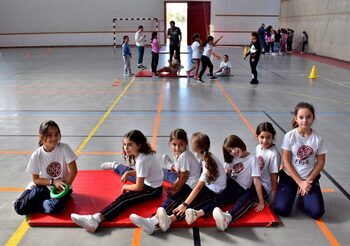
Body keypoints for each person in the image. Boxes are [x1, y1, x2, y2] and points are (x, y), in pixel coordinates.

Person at [130, 132, 226, 234]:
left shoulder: (206, 164)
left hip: (212, 190)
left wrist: (184, 204)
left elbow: (198, 187)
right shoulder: (202, 155)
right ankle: (153, 221)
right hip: (204, 185)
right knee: (177, 199)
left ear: (193, 147)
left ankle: (153, 222)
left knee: (185, 204)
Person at [71, 130, 163, 233]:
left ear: (139, 145)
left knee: (125, 200)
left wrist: (125, 187)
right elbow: (143, 171)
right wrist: (128, 173)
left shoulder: (142, 159)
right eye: (124, 144)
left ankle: (96, 219)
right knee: (125, 196)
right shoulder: (142, 154)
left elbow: (139, 187)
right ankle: (95, 218)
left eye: (129, 145)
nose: (126, 148)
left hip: (153, 190)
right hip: (150, 183)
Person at [274, 102, 326, 219]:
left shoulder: (318, 138)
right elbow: (286, 161)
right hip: (290, 178)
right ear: (296, 119)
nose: (305, 120)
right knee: (281, 209)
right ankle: (291, 191)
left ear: (313, 118)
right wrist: (300, 183)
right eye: (301, 117)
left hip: (309, 179)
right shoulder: (290, 136)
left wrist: (307, 182)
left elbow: (321, 162)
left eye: (308, 117)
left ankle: (303, 198)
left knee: (316, 212)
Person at [14, 120, 78, 215]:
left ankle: (36, 203)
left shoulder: (64, 148)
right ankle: (29, 192)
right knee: (20, 208)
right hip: (44, 185)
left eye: (56, 134)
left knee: (55, 208)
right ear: (41, 136)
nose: (54, 138)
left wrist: (65, 187)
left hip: (60, 188)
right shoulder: (36, 155)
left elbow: (74, 171)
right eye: (49, 135)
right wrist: (53, 181)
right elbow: (36, 179)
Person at [211, 135, 265, 232]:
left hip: (241, 188)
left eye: (233, 148)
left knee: (242, 200)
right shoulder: (232, 157)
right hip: (232, 182)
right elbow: (226, 172)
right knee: (220, 195)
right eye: (230, 151)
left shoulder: (253, 159)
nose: (233, 152)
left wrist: (261, 201)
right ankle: (203, 210)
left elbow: (256, 181)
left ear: (239, 143)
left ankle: (227, 218)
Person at [161, 128, 201, 195]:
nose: (177, 148)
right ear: (170, 143)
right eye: (174, 144)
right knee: (165, 173)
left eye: (181, 144)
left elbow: (184, 176)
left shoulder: (184, 156)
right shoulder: (178, 153)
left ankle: (171, 166)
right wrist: (174, 185)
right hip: (184, 178)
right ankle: (172, 166)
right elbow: (180, 175)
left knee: (172, 199)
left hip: (191, 185)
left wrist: (177, 189)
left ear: (186, 143)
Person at [255, 122, 281, 205]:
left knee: (247, 197)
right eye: (262, 137)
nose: (265, 141)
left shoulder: (273, 154)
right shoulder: (258, 147)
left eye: (268, 137)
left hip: (265, 187)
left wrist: (273, 194)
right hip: (257, 182)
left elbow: (274, 176)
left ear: (272, 137)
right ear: (257, 136)